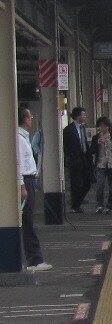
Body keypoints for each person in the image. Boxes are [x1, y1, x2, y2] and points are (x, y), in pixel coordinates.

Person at [16, 108, 49, 273]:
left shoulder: (24, 137)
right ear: (24, 119)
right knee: (27, 221)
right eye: (30, 116)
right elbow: (18, 165)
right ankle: (35, 259)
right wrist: (22, 186)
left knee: (28, 220)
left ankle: (33, 258)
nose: (32, 119)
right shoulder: (19, 139)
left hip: (29, 181)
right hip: (25, 182)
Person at [63, 106, 91, 212]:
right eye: (83, 114)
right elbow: (65, 146)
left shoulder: (83, 128)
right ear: (78, 116)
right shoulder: (68, 130)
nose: (85, 116)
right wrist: (70, 157)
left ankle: (77, 202)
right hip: (74, 161)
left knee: (88, 182)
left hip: (84, 160)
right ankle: (76, 205)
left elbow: (84, 143)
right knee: (75, 183)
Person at [91, 116, 112, 213]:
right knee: (100, 186)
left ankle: (110, 207)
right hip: (100, 165)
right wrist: (96, 144)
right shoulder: (96, 138)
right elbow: (91, 151)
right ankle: (99, 205)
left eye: (104, 126)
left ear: (108, 127)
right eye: (100, 126)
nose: (102, 128)